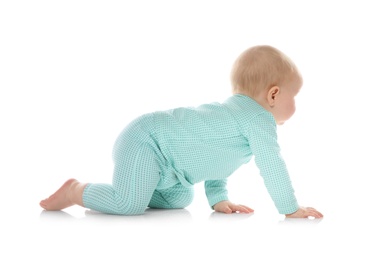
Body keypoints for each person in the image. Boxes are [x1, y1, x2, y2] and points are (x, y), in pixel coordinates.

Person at [40, 45, 323, 219]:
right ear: (273, 94)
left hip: (167, 166)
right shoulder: (259, 119)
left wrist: (218, 199)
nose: (295, 103)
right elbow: (273, 166)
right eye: (294, 95)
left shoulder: (237, 116)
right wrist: (290, 208)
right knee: (128, 205)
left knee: (181, 199)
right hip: (147, 142)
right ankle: (76, 191)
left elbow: (218, 157)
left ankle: (138, 186)